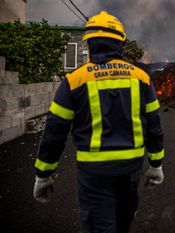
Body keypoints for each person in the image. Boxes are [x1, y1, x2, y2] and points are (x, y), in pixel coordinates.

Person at [33, 11, 165, 233]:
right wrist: (156, 164)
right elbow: (154, 125)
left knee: (98, 227)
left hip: (94, 173)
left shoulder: (74, 81)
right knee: (123, 223)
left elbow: (54, 131)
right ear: (120, 43)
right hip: (130, 169)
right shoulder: (140, 77)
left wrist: (43, 174)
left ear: (90, 43)